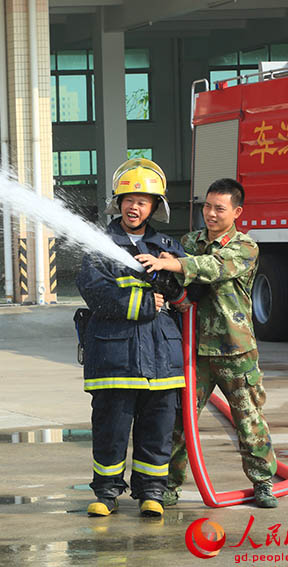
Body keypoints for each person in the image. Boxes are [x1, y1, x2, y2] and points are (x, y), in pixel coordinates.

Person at [135, 177, 279, 509]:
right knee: (179, 421)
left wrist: (174, 263)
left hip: (234, 350)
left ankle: (263, 483)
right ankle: (169, 485)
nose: (211, 214)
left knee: (248, 420)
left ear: (237, 212)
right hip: (193, 350)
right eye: (207, 207)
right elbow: (176, 279)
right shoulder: (190, 241)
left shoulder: (245, 247)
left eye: (219, 209)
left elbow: (213, 268)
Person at [76, 158, 187, 518]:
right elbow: (94, 291)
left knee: (158, 430)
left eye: (142, 201)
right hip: (115, 358)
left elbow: (189, 294)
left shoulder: (168, 247)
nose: (134, 207)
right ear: (117, 203)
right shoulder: (99, 244)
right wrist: (144, 302)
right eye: (128, 200)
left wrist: (169, 272)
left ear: (154, 207)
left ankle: (151, 493)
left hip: (162, 359)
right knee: (111, 429)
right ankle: (106, 493)